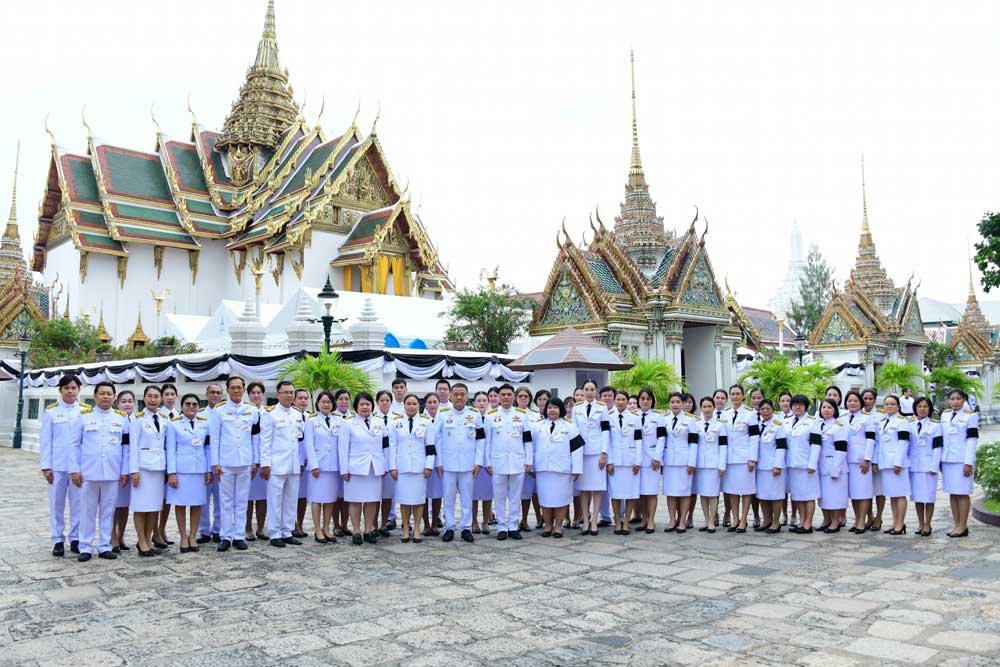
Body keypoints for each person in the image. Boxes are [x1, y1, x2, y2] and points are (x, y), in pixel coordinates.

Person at [70, 382, 125, 561]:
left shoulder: (122, 418)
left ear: (114, 397)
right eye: (101, 393)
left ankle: (105, 546)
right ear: (94, 396)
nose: (105, 396)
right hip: (88, 472)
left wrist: (124, 471)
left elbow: (126, 447)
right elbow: (74, 445)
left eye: (109, 393)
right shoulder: (83, 417)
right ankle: (85, 546)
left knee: (108, 511)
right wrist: (74, 470)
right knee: (87, 510)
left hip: (112, 472)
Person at [208, 377, 261, 552]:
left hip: (245, 461)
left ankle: (239, 535)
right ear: (228, 390)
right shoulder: (219, 411)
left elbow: (255, 437)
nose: (236, 391)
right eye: (233, 388)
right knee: (225, 501)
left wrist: (255, 461)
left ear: (244, 390)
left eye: (239, 388)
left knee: (241, 500)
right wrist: (215, 463)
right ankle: (225, 536)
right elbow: (214, 439)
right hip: (225, 462)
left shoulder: (252, 411)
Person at [40, 374, 86, 557]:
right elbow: (45, 441)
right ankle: (57, 539)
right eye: (66, 388)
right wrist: (45, 466)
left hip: (78, 467)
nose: (70, 391)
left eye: (73, 388)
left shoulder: (85, 412)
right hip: (57, 466)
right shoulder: (51, 412)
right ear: (60, 390)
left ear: (78, 390)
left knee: (78, 503)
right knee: (56, 504)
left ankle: (75, 538)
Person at [436, 383, 485, 543]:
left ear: (467, 396)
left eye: (462, 394)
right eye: (456, 394)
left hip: (468, 464)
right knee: (448, 498)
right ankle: (449, 527)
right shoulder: (442, 414)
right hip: (448, 464)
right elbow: (436, 439)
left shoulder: (475, 413)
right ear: (450, 395)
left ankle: (466, 528)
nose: (459, 397)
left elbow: (481, 439)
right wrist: (439, 462)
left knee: (467, 498)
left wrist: (478, 461)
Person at [484, 383, 533, 540]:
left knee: (515, 496)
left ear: (513, 396)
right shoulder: (490, 415)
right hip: (497, 462)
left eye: (509, 394)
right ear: (498, 397)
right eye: (503, 394)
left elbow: (527, 440)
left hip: (517, 461)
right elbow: (487, 442)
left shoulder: (522, 415)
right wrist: (487, 462)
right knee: (499, 496)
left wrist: (529, 459)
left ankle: (513, 526)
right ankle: (501, 527)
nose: (506, 397)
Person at [260, 381, 305, 548]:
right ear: (278, 395)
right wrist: (265, 464)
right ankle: (274, 533)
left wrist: (300, 461)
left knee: (291, 500)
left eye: (291, 392)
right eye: (285, 392)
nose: (289, 395)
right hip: (276, 465)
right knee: (275, 500)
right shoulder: (270, 414)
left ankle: (287, 531)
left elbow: (299, 440)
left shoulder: (297, 414)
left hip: (293, 464)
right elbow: (265, 441)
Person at [165, 393, 212, 553]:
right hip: (181, 470)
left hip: (199, 469)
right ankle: (183, 537)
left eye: (194, 404)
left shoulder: (204, 424)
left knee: (197, 503)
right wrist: (171, 472)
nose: (191, 407)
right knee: (180, 504)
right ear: (182, 406)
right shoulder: (174, 424)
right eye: (188, 404)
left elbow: (207, 448)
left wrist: (208, 469)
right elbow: (170, 450)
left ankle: (193, 535)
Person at [340, 392, 387, 545]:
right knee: (355, 501)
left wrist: (385, 466)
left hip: (375, 467)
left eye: (367, 404)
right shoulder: (348, 423)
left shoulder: (380, 422)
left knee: (372, 500)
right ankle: (356, 531)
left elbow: (385, 446)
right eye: (362, 404)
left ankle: (368, 530)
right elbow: (342, 448)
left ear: (372, 406)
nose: (365, 407)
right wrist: (344, 470)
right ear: (356, 407)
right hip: (356, 468)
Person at [532, 397, 583, 538]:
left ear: (561, 409)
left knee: (561, 499)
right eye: (549, 407)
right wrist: (531, 466)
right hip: (543, 469)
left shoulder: (570, 426)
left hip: (562, 470)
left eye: (555, 407)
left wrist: (577, 469)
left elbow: (577, 449)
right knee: (545, 499)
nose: (552, 410)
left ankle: (558, 526)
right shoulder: (538, 426)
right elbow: (532, 448)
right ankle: (548, 525)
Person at [389, 394, 436, 543]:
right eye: (408, 403)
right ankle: (405, 528)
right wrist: (392, 467)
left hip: (419, 468)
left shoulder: (426, 423)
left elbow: (430, 447)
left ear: (419, 406)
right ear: (404, 405)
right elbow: (392, 447)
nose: (411, 406)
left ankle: (416, 528)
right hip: (402, 468)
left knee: (418, 500)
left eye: (414, 404)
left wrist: (429, 465)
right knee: (404, 500)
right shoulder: (395, 423)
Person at [129, 385, 167, 556]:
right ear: (144, 398)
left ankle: (149, 538)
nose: (153, 400)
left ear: (160, 399)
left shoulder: (164, 418)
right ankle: (141, 541)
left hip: (158, 469)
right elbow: (133, 447)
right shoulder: (137, 419)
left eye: (156, 396)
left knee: (154, 507)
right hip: (143, 469)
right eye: (149, 396)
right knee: (141, 506)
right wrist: (134, 470)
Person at [304, 391, 344, 544]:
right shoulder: (311, 421)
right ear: (318, 404)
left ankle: (327, 528)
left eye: (328, 402)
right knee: (316, 499)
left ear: (332, 404)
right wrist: (314, 465)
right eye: (323, 402)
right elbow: (309, 444)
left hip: (333, 466)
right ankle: (317, 529)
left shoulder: (339, 421)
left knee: (330, 500)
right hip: (318, 467)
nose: (326, 405)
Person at [572, 380, 610, 535]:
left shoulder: (602, 407)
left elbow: (605, 431)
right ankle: (585, 522)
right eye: (586, 389)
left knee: (597, 489)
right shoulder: (576, 408)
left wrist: (604, 453)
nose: (588, 392)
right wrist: (575, 454)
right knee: (584, 489)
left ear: (596, 391)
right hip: (582, 453)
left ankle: (595, 520)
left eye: (592, 389)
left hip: (596, 453)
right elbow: (574, 431)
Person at [940, 389, 978, 537]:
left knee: (962, 493)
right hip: (947, 459)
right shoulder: (944, 415)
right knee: (953, 493)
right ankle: (956, 524)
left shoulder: (970, 416)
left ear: (963, 400)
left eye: (958, 399)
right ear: (949, 400)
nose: (955, 402)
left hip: (962, 460)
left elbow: (972, 440)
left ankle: (963, 525)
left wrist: (968, 462)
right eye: (952, 399)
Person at [723, 385, 758, 533]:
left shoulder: (750, 414)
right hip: (729, 459)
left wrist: (752, 458)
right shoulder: (724, 414)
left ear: (743, 396)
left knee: (746, 490)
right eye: (733, 394)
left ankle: (744, 519)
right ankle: (735, 518)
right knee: (732, 490)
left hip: (744, 458)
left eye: (738, 394)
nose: (735, 396)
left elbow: (754, 438)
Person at [874, 395, 912, 535]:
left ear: (898, 406)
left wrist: (898, 462)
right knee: (892, 495)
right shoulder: (883, 421)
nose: (889, 406)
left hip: (896, 463)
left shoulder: (902, 421)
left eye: (892, 404)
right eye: (887, 404)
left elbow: (903, 443)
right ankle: (895, 522)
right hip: (885, 462)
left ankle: (900, 523)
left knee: (900, 494)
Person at [662, 392, 698, 533]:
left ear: (683, 404)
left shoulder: (690, 420)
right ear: (669, 404)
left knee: (684, 492)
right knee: (670, 492)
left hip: (684, 461)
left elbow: (694, 443)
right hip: (669, 461)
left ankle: (682, 520)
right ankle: (672, 520)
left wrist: (692, 463)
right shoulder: (664, 419)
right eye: (672, 402)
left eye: (678, 402)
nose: (675, 404)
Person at [608, 389, 642, 535]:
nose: (620, 402)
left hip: (630, 461)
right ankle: (617, 521)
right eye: (618, 399)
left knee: (630, 494)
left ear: (627, 402)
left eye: (623, 399)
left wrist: (638, 461)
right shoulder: (608, 417)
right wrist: (609, 461)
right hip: (615, 461)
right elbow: (607, 441)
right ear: (614, 401)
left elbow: (639, 440)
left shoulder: (635, 418)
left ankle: (626, 522)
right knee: (615, 494)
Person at [784, 394, 820, 534]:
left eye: (800, 404)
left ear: (805, 407)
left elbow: (816, 445)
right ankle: (801, 520)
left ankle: (808, 523)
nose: (797, 407)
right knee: (797, 495)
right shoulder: (787, 422)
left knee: (808, 495)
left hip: (806, 465)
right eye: (795, 404)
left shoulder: (812, 422)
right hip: (792, 464)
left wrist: (812, 464)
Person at [843, 390, 876, 534]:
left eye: (855, 401)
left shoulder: (867, 418)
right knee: (854, 493)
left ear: (860, 403)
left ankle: (862, 520)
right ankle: (857, 520)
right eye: (849, 400)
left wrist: (867, 459)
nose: (852, 403)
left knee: (863, 492)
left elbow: (870, 439)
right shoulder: (842, 418)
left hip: (861, 460)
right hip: (846, 459)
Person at [695, 396, 728, 533]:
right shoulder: (696, 423)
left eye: (709, 406)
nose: (707, 409)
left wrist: (722, 465)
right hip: (700, 464)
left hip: (714, 464)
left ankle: (712, 521)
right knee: (703, 493)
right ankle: (706, 519)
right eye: (704, 406)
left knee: (713, 493)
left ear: (714, 408)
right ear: (701, 408)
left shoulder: (720, 424)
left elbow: (723, 446)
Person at [910, 396, 942, 537]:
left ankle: (928, 524)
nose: (922, 409)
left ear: (929, 409)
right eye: (919, 406)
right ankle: (920, 523)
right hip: (914, 466)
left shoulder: (935, 425)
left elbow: (937, 448)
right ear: (915, 408)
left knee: (928, 497)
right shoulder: (909, 424)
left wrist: (934, 466)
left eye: (925, 406)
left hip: (929, 466)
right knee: (917, 497)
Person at [816, 398, 849, 533]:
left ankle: (835, 521)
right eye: (824, 407)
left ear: (835, 410)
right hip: (821, 466)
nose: (826, 410)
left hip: (835, 466)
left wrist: (836, 469)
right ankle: (826, 519)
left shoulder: (839, 426)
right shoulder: (818, 425)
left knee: (835, 496)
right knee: (823, 496)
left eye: (829, 407)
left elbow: (841, 450)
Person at [153, 383, 179, 549]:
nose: (170, 397)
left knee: (168, 500)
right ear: (162, 397)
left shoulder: (179, 415)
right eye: (167, 394)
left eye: (172, 394)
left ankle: (162, 530)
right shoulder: (158, 415)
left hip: (174, 464)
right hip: (159, 463)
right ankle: (155, 531)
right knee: (157, 500)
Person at [198, 383, 225, 543]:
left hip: (222, 461)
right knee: (204, 499)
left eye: (218, 393)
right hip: (204, 460)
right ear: (206, 395)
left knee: (221, 498)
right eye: (212, 392)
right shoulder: (200, 414)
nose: (215, 395)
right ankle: (204, 530)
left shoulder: (225, 412)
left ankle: (218, 529)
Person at [636, 388, 665, 533]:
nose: (645, 401)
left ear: (652, 400)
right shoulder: (633, 416)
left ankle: (651, 520)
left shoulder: (658, 417)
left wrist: (657, 457)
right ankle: (644, 519)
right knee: (641, 493)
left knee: (651, 492)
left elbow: (661, 438)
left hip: (652, 459)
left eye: (648, 398)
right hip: (637, 460)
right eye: (642, 398)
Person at [754, 399, 785, 533]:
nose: (765, 411)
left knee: (775, 495)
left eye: (768, 409)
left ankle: (776, 522)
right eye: (762, 409)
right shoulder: (758, 425)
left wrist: (777, 465)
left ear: (773, 410)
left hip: (773, 466)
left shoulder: (778, 425)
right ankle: (766, 520)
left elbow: (781, 447)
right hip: (761, 466)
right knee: (763, 495)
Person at [111, 389, 135, 553]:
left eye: (130, 401)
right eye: (123, 401)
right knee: (113, 505)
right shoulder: (115, 419)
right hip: (115, 467)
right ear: (117, 403)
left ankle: (121, 536)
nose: (127, 404)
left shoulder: (137, 420)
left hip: (130, 469)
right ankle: (112, 536)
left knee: (124, 506)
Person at [245, 381, 268, 542]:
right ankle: (247, 528)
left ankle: (260, 528)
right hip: (249, 461)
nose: (256, 395)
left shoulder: (269, 413)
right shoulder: (245, 413)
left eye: (259, 392)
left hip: (265, 461)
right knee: (247, 498)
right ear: (249, 395)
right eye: (253, 393)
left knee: (262, 497)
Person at [516, 386, 540, 533]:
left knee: (533, 491)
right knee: (519, 493)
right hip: (517, 459)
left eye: (526, 396)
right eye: (520, 396)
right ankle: (519, 519)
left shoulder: (536, 415)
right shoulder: (511, 414)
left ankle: (532, 518)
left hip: (533, 458)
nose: (523, 398)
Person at [861, 388, 886, 531]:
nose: (868, 401)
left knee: (879, 490)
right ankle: (869, 516)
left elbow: (880, 440)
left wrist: (875, 460)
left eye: (870, 398)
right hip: (863, 457)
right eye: (865, 398)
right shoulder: (858, 415)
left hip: (877, 457)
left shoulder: (881, 416)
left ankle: (879, 516)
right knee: (866, 490)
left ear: (875, 400)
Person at [373, 390, 397, 537]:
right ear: (377, 402)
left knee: (388, 496)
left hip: (391, 464)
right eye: (382, 400)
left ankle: (384, 524)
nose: (385, 403)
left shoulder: (396, 419)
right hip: (376, 463)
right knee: (375, 496)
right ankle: (373, 524)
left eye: (387, 400)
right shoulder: (373, 418)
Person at [421, 392, 444, 537]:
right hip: (424, 461)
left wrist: (440, 462)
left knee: (437, 494)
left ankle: (435, 523)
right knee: (424, 494)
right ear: (425, 404)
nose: (432, 405)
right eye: (429, 402)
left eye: (435, 402)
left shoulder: (444, 418)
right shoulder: (421, 419)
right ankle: (426, 524)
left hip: (440, 462)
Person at [471, 390, 494, 535]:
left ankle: (485, 521)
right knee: (473, 495)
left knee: (487, 494)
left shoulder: (493, 418)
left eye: (484, 400)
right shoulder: (470, 417)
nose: (481, 403)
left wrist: (488, 462)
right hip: (475, 461)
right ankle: (473, 521)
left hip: (490, 463)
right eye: (478, 400)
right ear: (474, 403)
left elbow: (491, 443)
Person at [332, 388, 353, 536]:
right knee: (335, 496)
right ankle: (336, 524)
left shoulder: (353, 418)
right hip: (334, 462)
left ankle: (345, 524)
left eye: (346, 398)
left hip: (349, 462)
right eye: (340, 399)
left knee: (347, 496)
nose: (344, 401)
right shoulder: (332, 417)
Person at [293, 388, 311, 539]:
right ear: (293, 399)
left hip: (307, 464)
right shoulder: (291, 416)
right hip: (294, 462)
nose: (303, 400)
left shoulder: (309, 417)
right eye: (300, 398)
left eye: (306, 398)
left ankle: (300, 523)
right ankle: (292, 525)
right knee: (292, 495)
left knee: (303, 496)